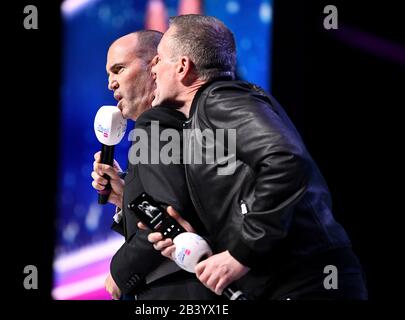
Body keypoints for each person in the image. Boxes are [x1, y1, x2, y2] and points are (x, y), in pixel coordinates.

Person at [145, 14, 368, 300]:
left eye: (159, 59)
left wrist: (242, 252)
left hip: (306, 280)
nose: (153, 69)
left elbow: (285, 160)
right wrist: (201, 239)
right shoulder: (213, 109)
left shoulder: (220, 99)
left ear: (182, 67)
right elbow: (245, 198)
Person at [91, 30, 216, 300]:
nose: (111, 83)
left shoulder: (156, 125)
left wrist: (119, 272)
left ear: (155, 67)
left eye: (119, 69)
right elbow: (184, 201)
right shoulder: (180, 124)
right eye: (108, 75)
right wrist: (125, 198)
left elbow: (168, 213)